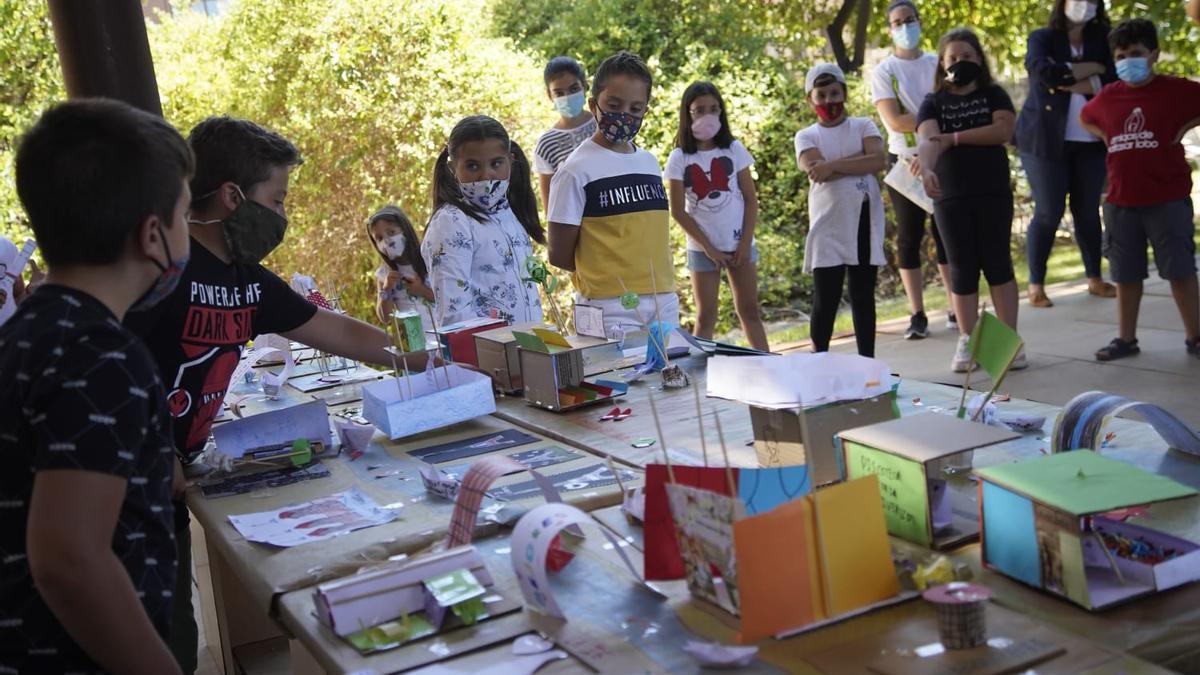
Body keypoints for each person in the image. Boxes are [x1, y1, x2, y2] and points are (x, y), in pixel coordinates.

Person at [124, 115, 430, 673]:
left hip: (166, 492)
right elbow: (117, 364)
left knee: (173, 633)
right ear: (233, 196)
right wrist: (153, 451)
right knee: (140, 642)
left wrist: (427, 358)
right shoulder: (163, 270)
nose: (284, 214)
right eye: (279, 198)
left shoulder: (248, 280)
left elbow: (334, 330)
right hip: (121, 488)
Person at [1, 99, 191, 674]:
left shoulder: (28, 333)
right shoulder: (100, 354)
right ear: (152, 235)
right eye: (184, 215)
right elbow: (69, 558)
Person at [1080, 18, 1200, 360]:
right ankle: (1126, 340)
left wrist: (1184, 128)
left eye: (1135, 53)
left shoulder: (1176, 91)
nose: (1126, 61)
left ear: (1154, 55)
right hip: (1121, 200)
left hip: (1167, 197)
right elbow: (1086, 117)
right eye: (1120, 55)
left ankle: (1195, 336)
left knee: (1179, 270)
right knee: (1125, 274)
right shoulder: (1108, 97)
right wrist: (1107, 137)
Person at [918, 28, 1025, 373]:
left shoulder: (994, 94)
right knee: (962, 268)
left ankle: (1009, 342)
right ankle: (967, 339)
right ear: (941, 64)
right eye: (952, 59)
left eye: (966, 57)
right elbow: (928, 140)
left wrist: (955, 137)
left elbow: (1003, 130)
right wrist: (928, 169)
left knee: (998, 264)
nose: (959, 63)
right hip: (951, 196)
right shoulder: (932, 102)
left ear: (979, 59)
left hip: (992, 191)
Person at [547, 50, 677, 334]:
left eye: (635, 108)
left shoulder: (650, 163)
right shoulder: (574, 171)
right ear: (594, 105)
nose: (624, 116)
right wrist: (604, 270)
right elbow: (559, 254)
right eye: (614, 105)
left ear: (645, 111)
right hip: (607, 307)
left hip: (662, 298)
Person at [1015, 0, 1117, 307]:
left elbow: (1114, 78)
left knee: (1087, 211)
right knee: (1049, 211)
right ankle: (1035, 284)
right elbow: (1045, 75)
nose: (1084, 5)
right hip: (1044, 140)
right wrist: (1093, 72)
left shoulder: (1104, 39)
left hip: (1090, 139)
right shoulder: (1042, 38)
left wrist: (1077, 76)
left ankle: (1095, 278)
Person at [871, 0, 955, 339]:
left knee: (946, 233)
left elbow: (952, 107)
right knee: (909, 237)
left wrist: (929, 130)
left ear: (920, 22)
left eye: (910, 19)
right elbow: (893, 119)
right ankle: (917, 313)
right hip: (904, 161)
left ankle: (955, 306)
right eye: (898, 22)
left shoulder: (938, 64)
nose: (906, 26)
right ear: (890, 29)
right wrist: (931, 125)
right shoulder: (884, 71)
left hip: (941, 155)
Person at [664, 81, 769, 351]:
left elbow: (750, 199)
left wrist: (744, 244)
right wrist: (709, 249)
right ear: (687, 114)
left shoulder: (733, 150)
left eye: (714, 109)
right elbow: (677, 211)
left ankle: (769, 366)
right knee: (706, 315)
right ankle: (703, 379)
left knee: (749, 310)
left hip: (740, 245)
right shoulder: (679, 158)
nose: (707, 116)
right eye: (699, 110)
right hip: (702, 250)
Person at [795, 63, 886, 357]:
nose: (829, 101)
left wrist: (832, 165)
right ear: (811, 99)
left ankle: (867, 363)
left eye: (834, 93)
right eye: (821, 95)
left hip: (862, 218)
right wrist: (856, 161)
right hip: (827, 225)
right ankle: (819, 357)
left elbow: (877, 160)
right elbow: (814, 171)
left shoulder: (864, 125)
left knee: (862, 296)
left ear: (844, 93)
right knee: (826, 298)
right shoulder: (806, 135)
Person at [422, 115, 545, 327]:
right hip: (488, 356)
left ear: (511, 160)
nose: (486, 175)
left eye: (496, 163)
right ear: (453, 169)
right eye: (472, 166)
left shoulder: (511, 214)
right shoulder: (452, 222)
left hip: (529, 349)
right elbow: (455, 316)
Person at [534, 57, 597, 212]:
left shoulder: (605, 124)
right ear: (550, 96)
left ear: (585, 86)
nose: (567, 96)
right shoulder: (547, 145)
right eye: (559, 93)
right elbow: (551, 206)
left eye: (574, 89)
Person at [368, 204, 433, 323]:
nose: (387, 240)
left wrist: (421, 290)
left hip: (441, 335)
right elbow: (385, 318)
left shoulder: (429, 259)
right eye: (379, 238)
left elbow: (448, 299)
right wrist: (386, 289)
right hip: (412, 339)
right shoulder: (385, 274)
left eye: (391, 232)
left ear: (404, 229)